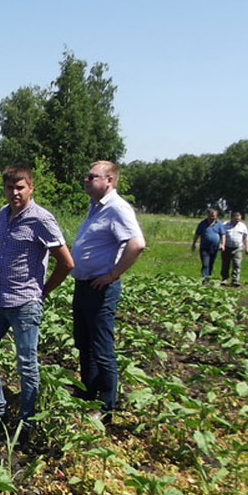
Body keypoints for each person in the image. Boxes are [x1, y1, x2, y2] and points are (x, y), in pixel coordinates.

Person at [0, 165, 74, 438]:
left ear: (31, 188)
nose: (15, 192)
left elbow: (66, 263)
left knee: (26, 365)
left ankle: (26, 423)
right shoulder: (3, 215)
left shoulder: (42, 219)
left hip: (26, 303)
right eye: (10, 187)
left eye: (20, 187)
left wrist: (43, 291)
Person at [70, 161, 146, 421]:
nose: (86, 179)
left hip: (100, 288)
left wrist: (113, 274)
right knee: (84, 343)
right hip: (84, 285)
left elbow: (136, 244)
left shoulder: (117, 208)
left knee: (101, 347)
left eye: (92, 176)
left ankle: (106, 407)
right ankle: (88, 394)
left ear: (110, 180)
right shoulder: (96, 207)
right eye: (87, 175)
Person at [191, 208, 227, 284]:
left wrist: (223, 244)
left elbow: (223, 235)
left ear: (216, 216)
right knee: (205, 264)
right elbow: (197, 234)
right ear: (207, 215)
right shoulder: (202, 224)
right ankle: (204, 280)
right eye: (210, 216)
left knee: (211, 264)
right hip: (204, 248)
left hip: (215, 248)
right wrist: (194, 244)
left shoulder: (219, 224)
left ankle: (208, 278)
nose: (212, 218)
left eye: (214, 216)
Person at [220, 210, 248, 287]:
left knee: (237, 264)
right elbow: (221, 235)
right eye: (236, 217)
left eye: (239, 217)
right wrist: (221, 244)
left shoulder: (243, 226)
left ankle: (235, 280)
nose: (237, 219)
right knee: (225, 264)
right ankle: (224, 278)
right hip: (226, 247)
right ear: (232, 217)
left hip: (238, 248)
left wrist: (247, 248)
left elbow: (246, 237)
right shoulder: (225, 224)